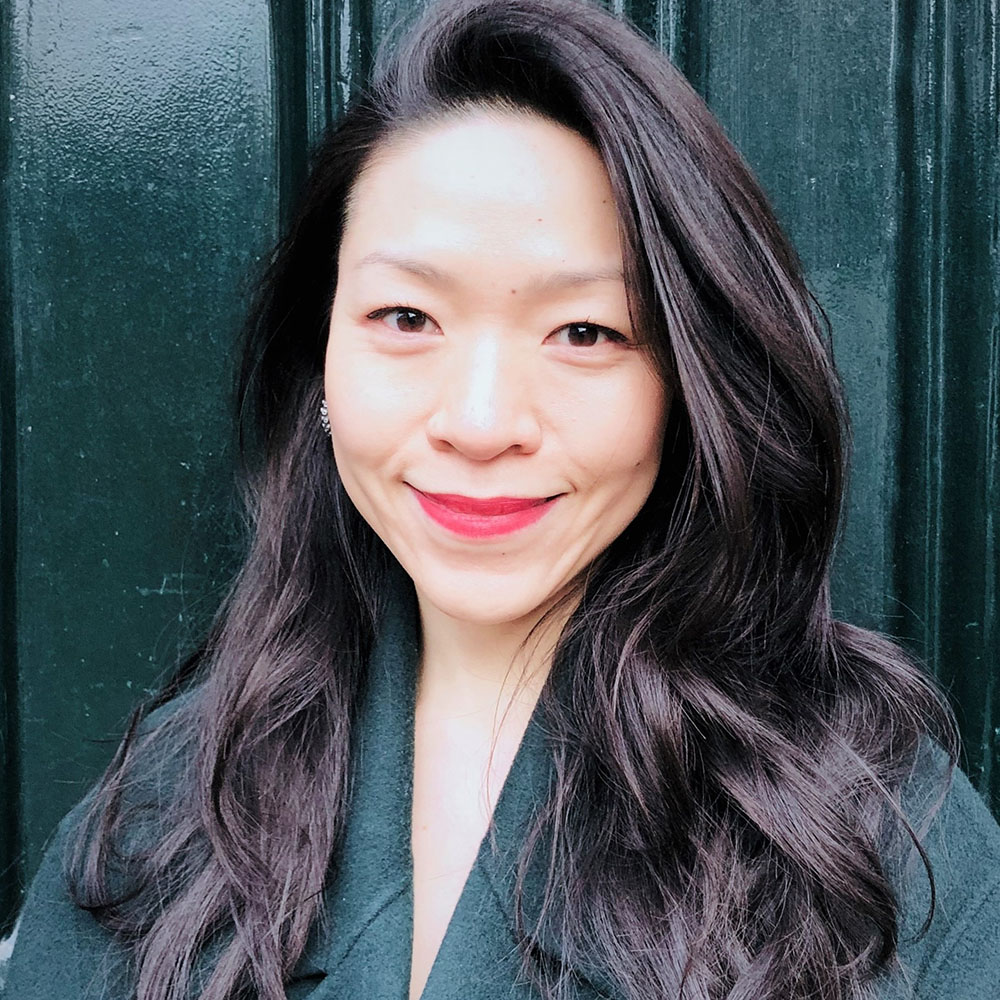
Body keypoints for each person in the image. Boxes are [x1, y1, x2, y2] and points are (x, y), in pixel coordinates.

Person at [4, 0, 1000, 997]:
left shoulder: (873, 835)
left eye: (585, 332)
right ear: (321, 365)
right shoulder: (155, 826)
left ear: (690, 388)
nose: (480, 422)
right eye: (405, 316)